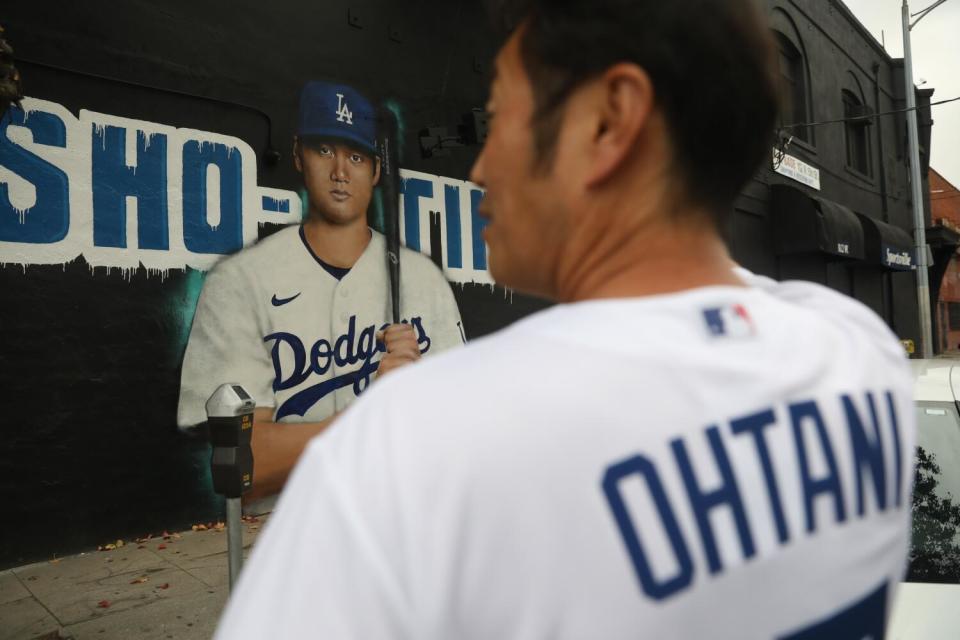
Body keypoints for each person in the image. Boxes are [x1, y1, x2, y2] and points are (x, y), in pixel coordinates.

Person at [215, 2, 916, 638]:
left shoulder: (408, 454)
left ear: (609, 122)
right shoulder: (861, 356)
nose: (482, 169)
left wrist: (387, 419)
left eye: (499, 121)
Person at [177, 81, 465, 503]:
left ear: (376, 170)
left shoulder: (423, 279)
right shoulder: (238, 283)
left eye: (356, 156)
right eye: (324, 151)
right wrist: (370, 419)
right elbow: (244, 465)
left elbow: (460, 429)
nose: (341, 173)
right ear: (298, 155)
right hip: (285, 526)